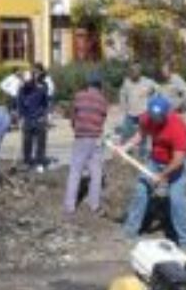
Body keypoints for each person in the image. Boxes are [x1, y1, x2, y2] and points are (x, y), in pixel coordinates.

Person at [120, 95, 186, 249]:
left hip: (175, 164)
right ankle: (130, 231)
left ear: (166, 114)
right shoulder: (147, 118)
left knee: (176, 199)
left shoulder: (177, 126)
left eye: (159, 118)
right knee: (141, 191)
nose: (155, 121)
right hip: (155, 161)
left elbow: (179, 159)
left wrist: (163, 175)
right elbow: (140, 134)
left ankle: (184, 240)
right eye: (153, 117)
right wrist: (125, 147)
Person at [64, 70, 108, 215]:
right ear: (99, 84)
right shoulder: (103, 100)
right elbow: (102, 119)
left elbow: (72, 115)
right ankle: (94, 205)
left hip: (81, 137)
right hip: (96, 138)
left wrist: (76, 127)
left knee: (75, 171)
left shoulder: (79, 96)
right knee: (96, 173)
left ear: (88, 83)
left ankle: (69, 207)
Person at [118, 63, 157, 157]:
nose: (133, 73)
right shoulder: (126, 82)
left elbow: (157, 90)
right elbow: (122, 94)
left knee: (142, 136)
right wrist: (124, 107)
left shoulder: (148, 82)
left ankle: (142, 155)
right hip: (130, 113)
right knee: (126, 133)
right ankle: (125, 153)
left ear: (140, 72)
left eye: (136, 71)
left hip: (143, 113)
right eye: (131, 71)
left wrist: (152, 95)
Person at [17, 71, 50, 172]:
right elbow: (20, 106)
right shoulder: (22, 91)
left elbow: (45, 104)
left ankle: (39, 163)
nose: (27, 84)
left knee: (40, 142)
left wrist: (44, 116)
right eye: (26, 82)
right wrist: (21, 118)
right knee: (27, 143)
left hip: (39, 119)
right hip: (27, 120)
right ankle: (27, 162)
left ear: (33, 81)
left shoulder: (41, 90)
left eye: (29, 82)